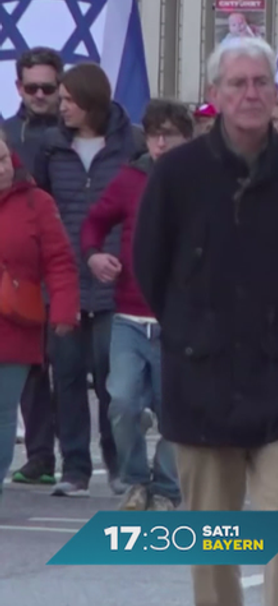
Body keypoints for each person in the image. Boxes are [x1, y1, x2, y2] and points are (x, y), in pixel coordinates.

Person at [133, 37, 278, 606]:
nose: (250, 93)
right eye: (238, 83)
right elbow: (150, 266)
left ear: (276, 94)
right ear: (214, 95)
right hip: (202, 378)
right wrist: (191, 327)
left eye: (260, 83)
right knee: (213, 542)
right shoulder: (178, 176)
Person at [80, 99, 193, 512]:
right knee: (122, 403)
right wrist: (94, 254)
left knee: (176, 416)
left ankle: (166, 487)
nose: (161, 143)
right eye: (154, 134)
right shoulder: (131, 179)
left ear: (187, 138)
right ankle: (135, 480)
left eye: (170, 135)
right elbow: (94, 221)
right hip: (129, 316)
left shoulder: (203, 181)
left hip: (180, 320)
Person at [36, 62, 141, 497]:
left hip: (114, 279)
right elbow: (40, 204)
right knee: (68, 376)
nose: (61, 108)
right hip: (65, 280)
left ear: (90, 102)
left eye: (67, 101)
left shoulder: (128, 145)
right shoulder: (50, 147)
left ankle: (117, 463)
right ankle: (74, 468)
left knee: (112, 379)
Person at [0, 139, 78, 503]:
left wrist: (64, 309)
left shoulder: (36, 203)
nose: (0, 168)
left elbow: (59, 261)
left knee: (2, 413)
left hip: (14, 326)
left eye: (2, 159)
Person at [5, 46, 64, 487]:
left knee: (68, 368)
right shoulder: (6, 132)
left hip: (59, 256)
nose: (40, 94)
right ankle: (41, 454)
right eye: (32, 87)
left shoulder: (73, 131)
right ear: (18, 87)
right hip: (17, 276)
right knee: (28, 373)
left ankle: (75, 458)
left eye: (47, 87)